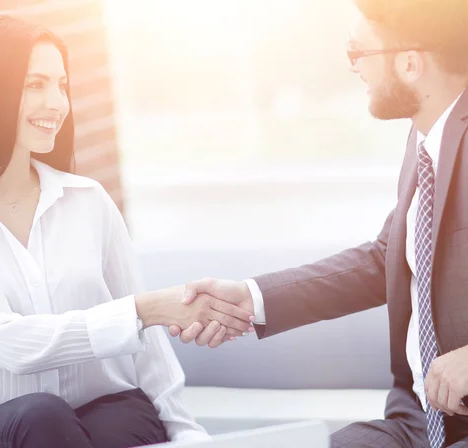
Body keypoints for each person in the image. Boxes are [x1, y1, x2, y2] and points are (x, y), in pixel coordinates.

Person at [0, 15, 255, 448]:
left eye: (62, 85)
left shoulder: (88, 200)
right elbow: (11, 345)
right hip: (6, 428)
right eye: (34, 84)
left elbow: (149, 350)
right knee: (43, 416)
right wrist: (142, 310)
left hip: (109, 411)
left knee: (114, 424)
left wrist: (185, 432)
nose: (57, 103)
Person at [170, 0, 468, 446]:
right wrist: (250, 298)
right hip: (417, 421)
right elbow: (387, 258)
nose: (355, 70)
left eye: (359, 53)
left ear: (409, 63)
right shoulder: (425, 139)